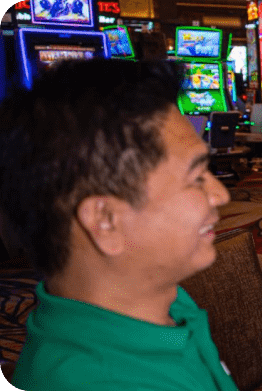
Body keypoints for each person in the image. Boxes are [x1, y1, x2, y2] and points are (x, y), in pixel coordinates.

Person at [0, 60, 236, 390]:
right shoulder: (103, 380)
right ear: (105, 221)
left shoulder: (161, 297)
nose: (221, 195)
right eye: (197, 177)